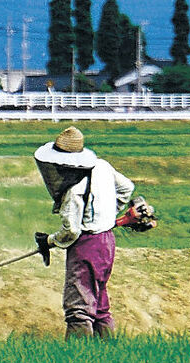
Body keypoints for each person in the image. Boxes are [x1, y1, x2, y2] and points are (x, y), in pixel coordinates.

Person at [33, 126, 135, 339]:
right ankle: (108, 348)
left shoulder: (75, 188)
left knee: (78, 306)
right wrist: (105, 216)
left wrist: (49, 241)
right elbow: (127, 188)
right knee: (99, 302)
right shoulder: (103, 167)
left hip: (86, 245)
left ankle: (77, 355)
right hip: (107, 242)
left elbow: (71, 230)